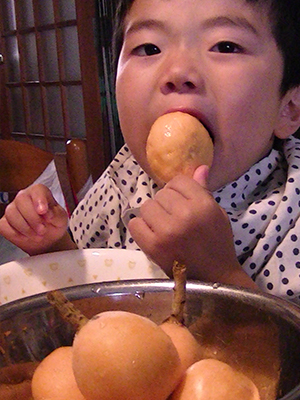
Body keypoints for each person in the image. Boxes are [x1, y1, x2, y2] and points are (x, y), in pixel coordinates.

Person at [1, 0, 300, 303]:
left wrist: (217, 273)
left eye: (225, 46)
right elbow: (94, 302)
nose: (179, 71)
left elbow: (281, 348)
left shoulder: (293, 212)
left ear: (289, 109)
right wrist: (55, 249)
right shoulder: (123, 177)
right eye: (148, 49)